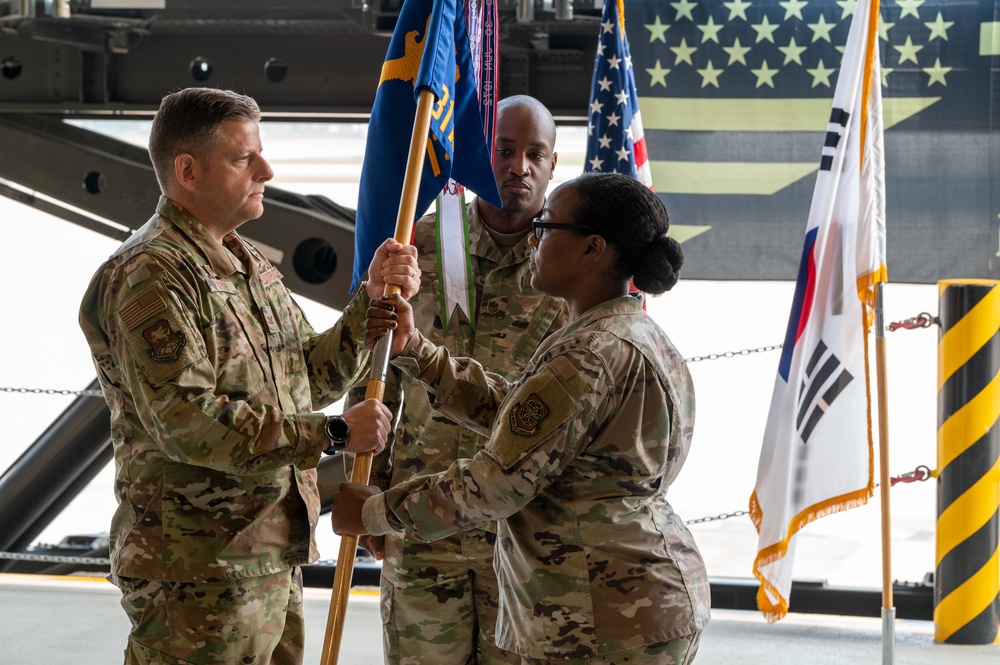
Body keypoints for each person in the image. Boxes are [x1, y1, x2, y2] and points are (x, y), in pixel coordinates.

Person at [78, 87, 419, 665]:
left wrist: (370, 304)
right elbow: (188, 424)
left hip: (264, 555)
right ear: (188, 170)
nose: (266, 169)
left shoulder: (243, 260)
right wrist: (335, 436)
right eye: (244, 158)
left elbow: (304, 376)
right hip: (196, 570)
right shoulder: (151, 276)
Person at [333, 172, 711, 664]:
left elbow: (494, 483)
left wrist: (375, 512)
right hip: (619, 602)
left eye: (547, 227)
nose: (534, 238)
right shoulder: (625, 332)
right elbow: (520, 417)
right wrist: (418, 353)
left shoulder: (588, 355)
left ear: (592, 248)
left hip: (601, 614)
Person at [344, 94, 570, 664]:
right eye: (504, 149)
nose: (518, 166)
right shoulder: (416, 247)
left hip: (521, 535)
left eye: (534, 154)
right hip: (421, 525)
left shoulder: (571, 268)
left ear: (552, 165)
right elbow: (374, 374)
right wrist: (365, 481)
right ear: (477, 154)